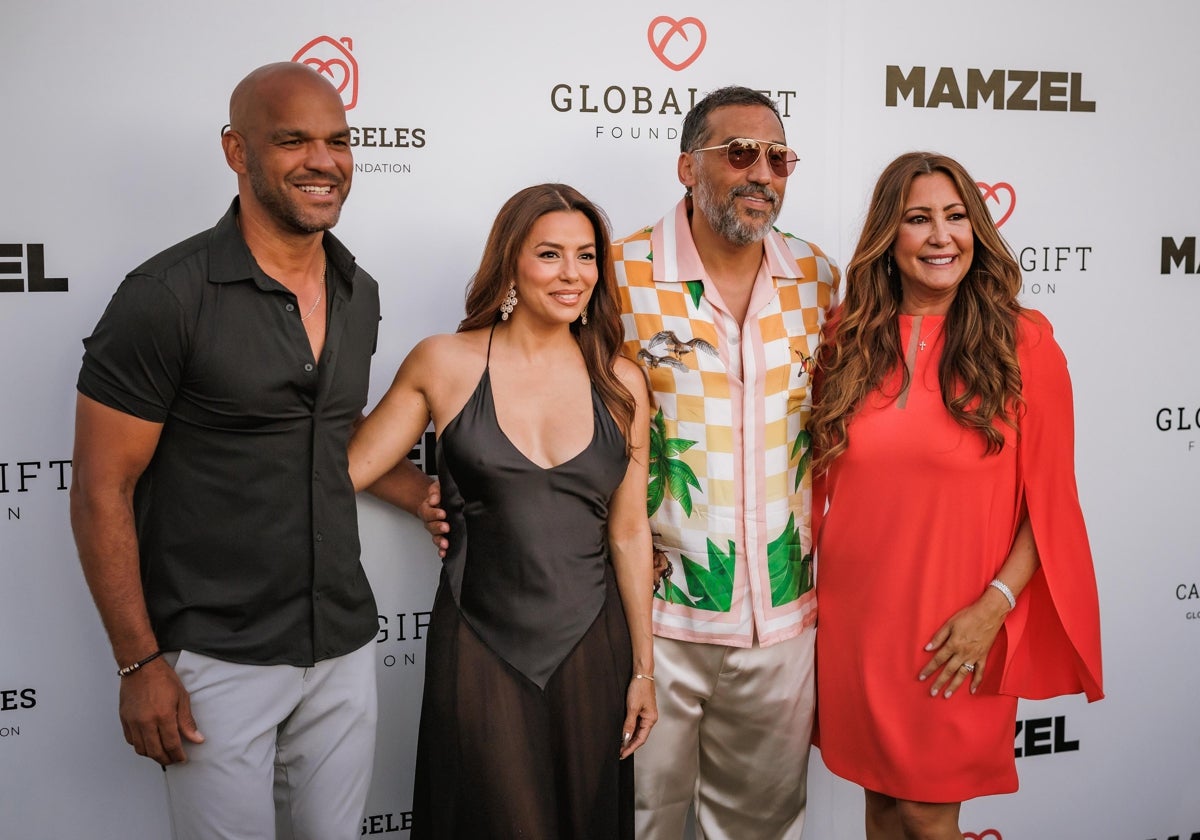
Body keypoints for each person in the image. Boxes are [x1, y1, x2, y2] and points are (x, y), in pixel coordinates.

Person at [70, 62, 382, 840]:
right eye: (293, 140)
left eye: (338, 140)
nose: (323, 160)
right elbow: (101, 489)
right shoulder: (166, 296)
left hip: (342, 645)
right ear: (236, 152)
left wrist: (421, 491)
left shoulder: (359, 290)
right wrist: (140, 665)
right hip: (215, 661)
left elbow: (323, 432)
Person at [809, 151, 1104, 839]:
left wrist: (992, 609)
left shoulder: (1024, 343)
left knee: (926, 814)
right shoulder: (845, 338)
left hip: (956, 625)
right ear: (890, 237)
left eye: (956, 216)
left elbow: (1051, 507)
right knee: (883, 810)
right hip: (857, 620)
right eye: (919, 219)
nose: (942, 236)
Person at [348, 183, 657, 839]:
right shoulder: (446, 362)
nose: (572, 275)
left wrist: (643, 671)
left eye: (586, 256)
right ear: (511, 263)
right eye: (550, 255)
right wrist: (416, 493)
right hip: (479, 644)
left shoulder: (622, 380)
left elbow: (629, 533)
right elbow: (350, 468)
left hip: (593, 650)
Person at [611, 86, 839, 839]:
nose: (762, 173)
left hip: (781, 620)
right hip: (655, 621)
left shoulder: (817, 277)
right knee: (639, 822)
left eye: (779, 157)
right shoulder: (617, 275)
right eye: (739, 153)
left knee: (763, 829)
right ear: (688, 167)